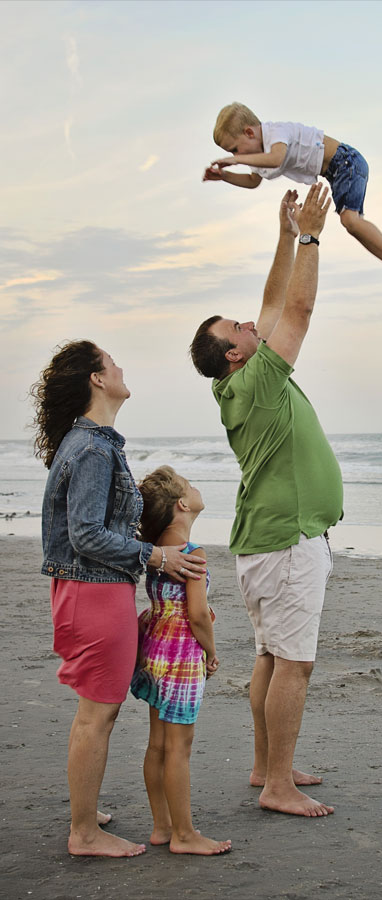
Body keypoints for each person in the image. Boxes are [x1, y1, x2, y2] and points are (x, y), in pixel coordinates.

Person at [189, 184, 339, 817]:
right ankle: (278, 783)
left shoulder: (245, 378)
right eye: (239, 329)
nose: (252, 324)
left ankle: (264, 766)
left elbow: (273, 304)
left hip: (269, 540)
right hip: (286, 541)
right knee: (294, 665)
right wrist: (310, 237)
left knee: (272, 657)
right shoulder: (255, 380)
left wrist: (283, 237)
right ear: (233, 353)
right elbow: (296, 311)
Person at [32, 341, 206, 858]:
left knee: (95, 713)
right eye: (112, 362)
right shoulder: (91, 448)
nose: (121, 366)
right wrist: (157, 557)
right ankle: (84, 833)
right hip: (94, 592)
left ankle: (86, 811)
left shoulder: (91, 443)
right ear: (97, 380)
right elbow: (85, 533)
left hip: (92, 590)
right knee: (97, 716)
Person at [202, 101, 382, 293]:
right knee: (353, 225)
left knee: (350, 221)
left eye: (235, 149)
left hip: (346, 161)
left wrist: (238, 161)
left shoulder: (276, 132)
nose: (235, 156)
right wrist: (224, 176)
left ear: (250, 133)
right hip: (335, 174)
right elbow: (253, 182)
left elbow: (277, 158)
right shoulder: (258, 157)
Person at [130, 465, 231, 855]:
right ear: (183, 504)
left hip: (154, 645)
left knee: (157, 743)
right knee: (179, 748)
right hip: (182, 654)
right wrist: (211, 650)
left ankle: (162, 826)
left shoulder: (159, 550)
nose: (196, 487)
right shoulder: (192, 553)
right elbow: (198, 614)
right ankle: (185, 835)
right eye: (191, 485)